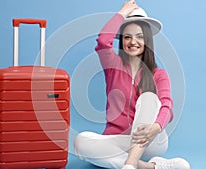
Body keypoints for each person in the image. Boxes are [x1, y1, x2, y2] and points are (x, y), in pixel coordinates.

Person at [74, 0, 190, 169]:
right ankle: (149, 167)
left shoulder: (159, 74)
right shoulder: (113, 66)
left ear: (147, 41)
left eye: (140, 36)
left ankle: (130, 163)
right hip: (118, 140)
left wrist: (156, 128)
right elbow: (103, 41)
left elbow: (166, 104)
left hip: (150, 139)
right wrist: (123, 12)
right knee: (80, 141)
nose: (133, 41)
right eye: (127, 36)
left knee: (149, 97)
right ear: (121, 40)